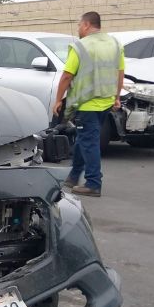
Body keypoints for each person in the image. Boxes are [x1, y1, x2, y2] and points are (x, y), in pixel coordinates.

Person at [52, 11, 124, 197]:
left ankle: (93, 183)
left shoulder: (80, 47)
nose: (78, 29)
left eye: (78, 25)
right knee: (84, 138)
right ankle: (73, 176)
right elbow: (120, 72)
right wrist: (117, 96)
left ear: (86, 25)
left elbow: (67, 75)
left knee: (89, 141)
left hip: (87, 104)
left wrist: (59, 99)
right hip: (106, 102)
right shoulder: (115, 44)